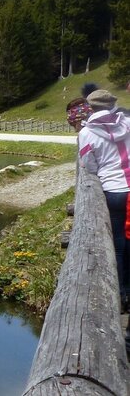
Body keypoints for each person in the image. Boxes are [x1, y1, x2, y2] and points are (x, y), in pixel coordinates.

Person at [78, 90, 130, 316]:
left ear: (90, 108)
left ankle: (121, 292)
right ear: (112, 105)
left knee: (118, 242)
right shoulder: (127, 122)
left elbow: (88, 164)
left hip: (114, 190)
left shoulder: (87, 132)